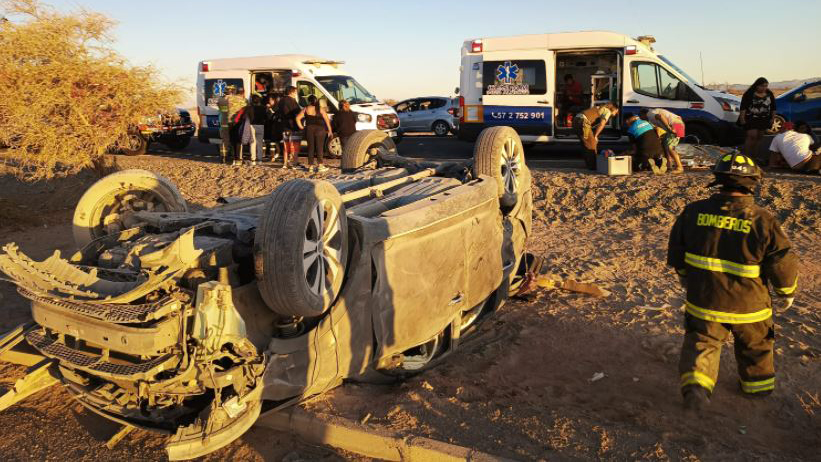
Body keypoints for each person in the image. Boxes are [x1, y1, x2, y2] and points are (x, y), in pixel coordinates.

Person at [668, 153, 798, 413]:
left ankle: (696, 388)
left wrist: (684, 277)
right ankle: (756, 390)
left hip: (704, 302)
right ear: (752, 183)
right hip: (751, 308)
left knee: (701, 344)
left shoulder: (692, 212)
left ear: (718, 180)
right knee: (756, 347)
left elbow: (677, 252)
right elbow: (782, 262)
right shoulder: (763, 220)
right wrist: (787, 292)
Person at [572, 102, 619, 170]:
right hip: (583, 122)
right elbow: (602, 124)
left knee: (586, 144)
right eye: (616, 112)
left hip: (576, 120)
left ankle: (589, 164)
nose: (616, 114)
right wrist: (596, 136)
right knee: (592, 144)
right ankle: (593, 166)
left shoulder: (600, 108)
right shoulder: (608, 111)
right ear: (614, 109)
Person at [739, 77, 777, 157]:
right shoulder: (749, 94)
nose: (764, 88)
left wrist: (772, 118)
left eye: (766, 86)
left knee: (759, 137)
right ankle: (747, 156)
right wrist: (742, 118)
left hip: (764, 118)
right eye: (762, 86)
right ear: (757, 85)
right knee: (752, 136)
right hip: (751, 118)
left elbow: (773, 107)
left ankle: (755, 157)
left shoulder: (769, 93)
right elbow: (743, 107)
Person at [640, 108, 685, 173]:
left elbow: (660, 116)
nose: (641, 119)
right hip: (678, 123)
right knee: (667, 145)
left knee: (670, 147)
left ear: (643, 114)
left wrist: (669, 128)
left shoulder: (649, 114)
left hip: (675, 125)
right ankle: (670, 165)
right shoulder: (652, 113)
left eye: (640, 116)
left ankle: (679, 167)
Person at [296, 95, 333, 172]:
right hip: (320, 129)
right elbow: (327, 120)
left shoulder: (305, 109)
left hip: (309, 129)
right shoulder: (320, 109)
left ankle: (310, 166)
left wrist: (302, 127)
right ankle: (320, 166)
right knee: (319, 147)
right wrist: (330, 130)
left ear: (309, 101)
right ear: (316, 101)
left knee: (311, 147)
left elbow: (297, 118)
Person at [217, 85, 247, 164]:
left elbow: (221, 108)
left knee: (224, 141)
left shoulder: (221, 99)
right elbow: (245, 108)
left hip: (224, 122)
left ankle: (224, 157)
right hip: (236, 123)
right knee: (237, 141)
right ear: (233, 91)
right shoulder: (240, 99)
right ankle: (238, 158)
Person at [276, 86, 302, 169]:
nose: (296, 94)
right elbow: (297, 112)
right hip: (293, 126)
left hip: (284, 126)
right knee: (295, 145)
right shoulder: (292, 101)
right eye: (295, 92)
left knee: (285, 145)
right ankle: (294, 163)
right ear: (291, 92)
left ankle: (285, 163)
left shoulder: (281, 101)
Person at [264, 94, 282, 161]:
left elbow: (274, 115)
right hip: (271, 126)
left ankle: (275, 155)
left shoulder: (276, 107)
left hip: (276, 126)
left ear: (274, 100)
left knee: (275, 141)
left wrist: (270, 109)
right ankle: (274, 154)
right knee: (274, 141)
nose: (269, 101)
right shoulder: (271, 107)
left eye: (270, 100)